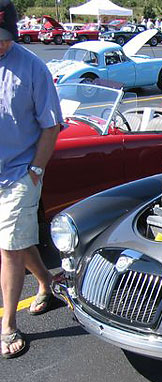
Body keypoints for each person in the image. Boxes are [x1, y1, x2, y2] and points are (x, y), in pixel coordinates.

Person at [0, 0, 63, 359]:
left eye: (6, 37)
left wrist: (36, 170)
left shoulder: (32, 68)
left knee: (8, 246)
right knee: (17, 240)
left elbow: (51, 125)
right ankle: (46, 282)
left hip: (21, 171)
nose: (2, 44)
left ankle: (8, 325)